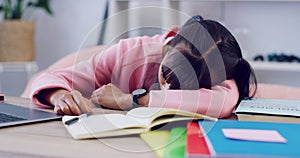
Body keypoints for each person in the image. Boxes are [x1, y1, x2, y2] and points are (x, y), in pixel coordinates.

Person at [30, 15, 257, 118]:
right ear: (168, 47)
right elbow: (49, 77)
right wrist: (58, 96)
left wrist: (133, 100)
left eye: (185, 89)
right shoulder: (130, 53)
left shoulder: (223, 72)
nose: (168, 91)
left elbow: (223, 101)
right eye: (166, 77)